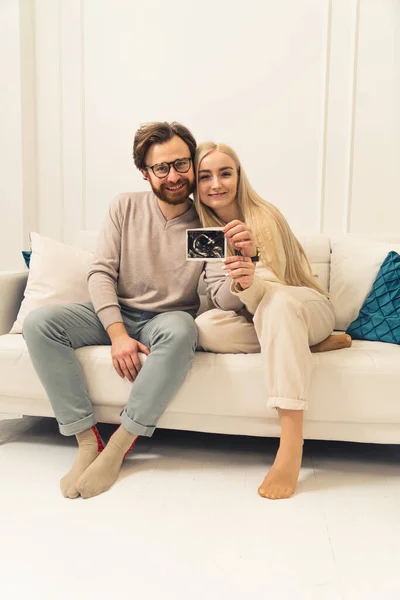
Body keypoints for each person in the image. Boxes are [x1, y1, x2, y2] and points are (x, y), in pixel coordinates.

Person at [22, 122, 241, 499]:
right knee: (40, 323)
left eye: (181, 164)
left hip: (166, 320)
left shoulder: (205, 225)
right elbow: (101, 271)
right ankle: (87, 440)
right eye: (162, 168)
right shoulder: (125, 206)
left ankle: (121, 443)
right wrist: (117, 334)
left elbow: (222, 296)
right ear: (145, 172)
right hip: (117, 313)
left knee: (182, 330)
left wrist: (242, 277)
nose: (174, 176)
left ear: (191, 163)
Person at [194, 141, 352, 500]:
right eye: (205, 176)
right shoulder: (204, 230)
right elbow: (221, 298)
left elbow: (277, 289)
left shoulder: (263, 215)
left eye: (225, 173)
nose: (215, 184)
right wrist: (236, 274)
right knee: (205, 327)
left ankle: (291, 441)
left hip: (304, 305)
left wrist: (251, 262)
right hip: (260, 315)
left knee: (278, 305)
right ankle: (307, 346)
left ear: (239, 176)